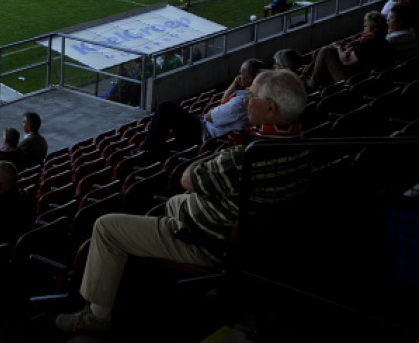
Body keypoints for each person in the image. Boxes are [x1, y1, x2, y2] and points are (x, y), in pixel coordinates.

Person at [55, 69, 311, 335]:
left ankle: (97, 316)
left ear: (270, 108)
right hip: (249, 240)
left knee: (106, 227)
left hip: (207, 242)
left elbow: (187, 178)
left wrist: (213, 158)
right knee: (173, 203)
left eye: (252, 96)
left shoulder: (243, 158)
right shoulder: (303, 148)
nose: (246, 99)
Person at [142, 58, 268, 157]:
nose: (239, 76)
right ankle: (155, 147)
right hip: (207, 128)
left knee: (166, 107)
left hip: (202, 132)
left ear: (250, 79)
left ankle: (152, 151)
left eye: (241, 73)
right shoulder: (254, 97)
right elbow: (223, 102)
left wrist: (212, 111)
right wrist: (234, 85)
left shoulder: (240, 102)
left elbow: (209, 116)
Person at [308, 10, 394, 90]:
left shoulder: (369, 44)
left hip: (352, 80)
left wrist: (339, 47)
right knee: (329, 50)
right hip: (362, 77)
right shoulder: (384, 42)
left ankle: (312, 85)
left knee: (325, 51)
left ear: (372, 28)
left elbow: (345, 61)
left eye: (366, 25)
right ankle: (310, 75)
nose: (364, 28)